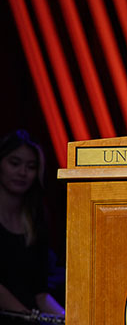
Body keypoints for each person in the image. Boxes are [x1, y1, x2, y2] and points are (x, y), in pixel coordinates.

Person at [0, 130, 64, 318]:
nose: (23, 172)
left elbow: (41, 294)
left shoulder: (36, 219)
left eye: (31, 166)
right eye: (15, 163)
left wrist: (67, 319)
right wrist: (27, 316)